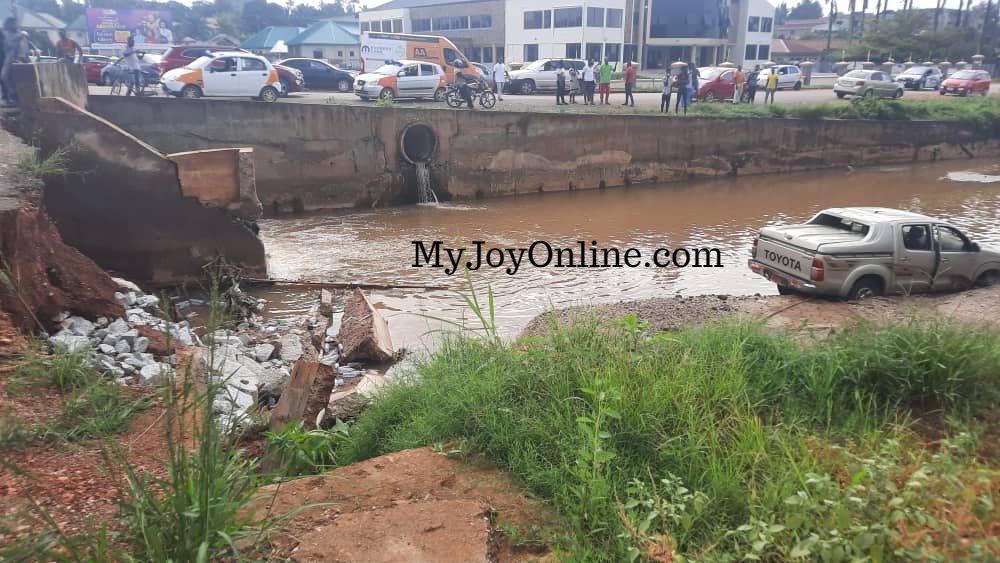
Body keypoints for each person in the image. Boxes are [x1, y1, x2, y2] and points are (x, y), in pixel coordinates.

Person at [2, 18, 30, 105]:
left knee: (21, 78)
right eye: (12, 24)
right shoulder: (6, 34)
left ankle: (19, 96)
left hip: (20, 58)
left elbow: (26, 48)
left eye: (15, 24)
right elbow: (9, 43)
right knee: (4, 77)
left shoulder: (22, 34)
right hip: (10, 58)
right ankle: (13, 95)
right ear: (8, 25)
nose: (15, 25)